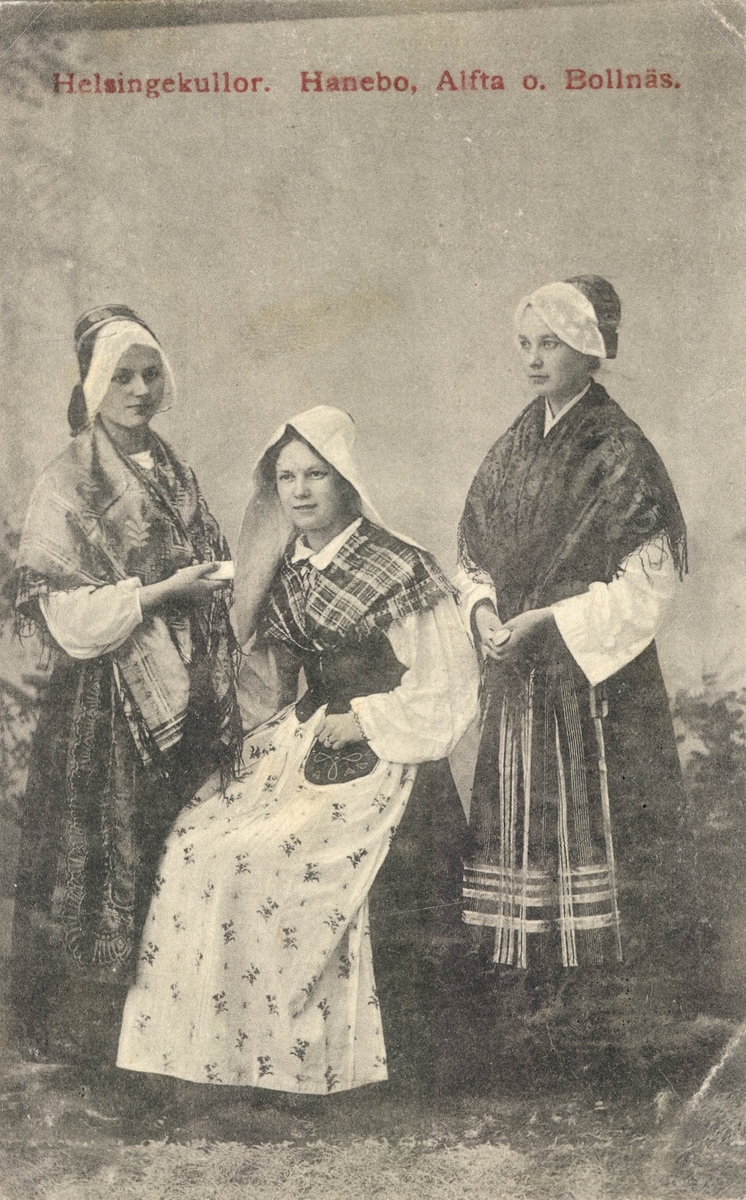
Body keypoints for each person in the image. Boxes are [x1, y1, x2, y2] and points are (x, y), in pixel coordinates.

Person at [117, 405, 479, 1095]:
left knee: (266, 862)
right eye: (287, 478)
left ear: (346, 480)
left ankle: (310, 1064)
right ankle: (216, 1059)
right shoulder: (285, 568)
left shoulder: (397, 564)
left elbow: (449, 683)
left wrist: (367, 719)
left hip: (384, 746)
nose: (301, 491)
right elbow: (268, 681)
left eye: (317, 474)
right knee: (196, 845)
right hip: (306, 735)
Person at [11, 305, 242, 1066]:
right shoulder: (68, 480)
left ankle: (171, 1040)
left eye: (149, 375)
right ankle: (88, 1048)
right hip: (101, 708)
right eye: (121, 377)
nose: (139, 390)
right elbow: (64, 614)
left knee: (177, 855)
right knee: (103, 858)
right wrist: (162, 592)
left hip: (186, 695)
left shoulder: (174, 470)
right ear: (93, 385)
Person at [455, 276, 688, 996]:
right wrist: (484, 611)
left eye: (550, 344)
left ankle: (607, 999)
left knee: (605, 824)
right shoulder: (513, 445)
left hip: (594, 679)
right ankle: (523, 987)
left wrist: (549, 620)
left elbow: (649, 582)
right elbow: (472, 552)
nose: (533, 359)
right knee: (519, 830)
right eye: (525, 344)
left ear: (590, 350)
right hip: (517, 671)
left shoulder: (620, 448)